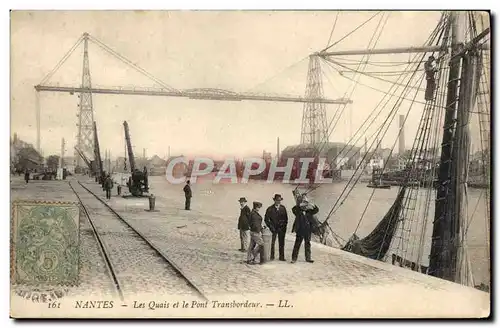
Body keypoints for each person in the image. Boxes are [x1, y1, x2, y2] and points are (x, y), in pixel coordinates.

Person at [291, 194, 319, 264]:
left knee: (308, 244)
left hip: (307, 230)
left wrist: (311, 204)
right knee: (297, 244)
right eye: (304, 205)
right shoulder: (298, 211)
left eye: (306, 205)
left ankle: (308, 258)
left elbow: (316, 210)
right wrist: (300, 205)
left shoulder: (309, 212)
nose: (305, 207)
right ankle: (294, 258)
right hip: (300, 230)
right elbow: (293, 209)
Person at [264, 194, 289, 261]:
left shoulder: (283, 208)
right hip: (273, 229)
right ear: (274, 200)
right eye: (277, 200)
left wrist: (284, 226)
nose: (278, 202)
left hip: (282, 229)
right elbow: (266, 219)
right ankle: (272, 256)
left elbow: (286, 219)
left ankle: (281, 257)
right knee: (272, 243)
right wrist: (271, 227)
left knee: (281, 243)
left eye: (279, 200)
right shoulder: (270, 209)